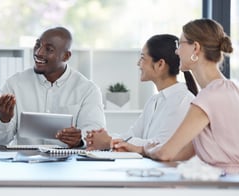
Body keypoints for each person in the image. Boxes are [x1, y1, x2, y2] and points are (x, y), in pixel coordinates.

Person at [137, 19, 237, 174]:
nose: (176, 52)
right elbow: (185, 151)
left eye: (180, 45)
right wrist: (142, 149)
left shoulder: (209, 97)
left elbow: (165, 153)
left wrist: (148, 149)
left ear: (195, 48)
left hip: (225, 186)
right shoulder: (229, 89)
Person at [0, 26, 106, 148]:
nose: (39, 53)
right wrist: (3, 119)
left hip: (68, 164)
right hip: (24, 164)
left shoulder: (88, 90)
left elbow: (96, 135)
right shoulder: (14, 84)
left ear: (66, 56)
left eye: (49, 49)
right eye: (37, 45)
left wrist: (79, 140)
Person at [85, 34, 198, 152]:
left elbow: (161, 145)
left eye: (143, 58)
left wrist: (111, 142)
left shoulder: (182, 100)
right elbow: (132, 135)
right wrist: (105, 139)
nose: (138, 64)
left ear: (160, 64)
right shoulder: (154, 101)